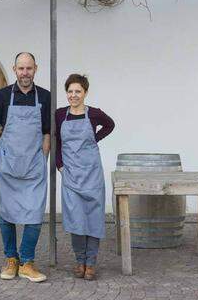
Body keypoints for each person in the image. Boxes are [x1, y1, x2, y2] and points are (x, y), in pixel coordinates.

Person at [0, 52, 51, 283]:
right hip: (8, 166)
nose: (25, 73)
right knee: (7, 214)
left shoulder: (45, 96)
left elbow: (47, 132)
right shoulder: (2, 96)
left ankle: (27, 262)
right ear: (14, 69)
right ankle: (11, 259)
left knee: (34, 215)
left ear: (36, 68)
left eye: (29, 68)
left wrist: (42, 159)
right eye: (21, 68)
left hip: (34, 167)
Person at [56, 74, 115, 281]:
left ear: (85, 93)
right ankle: (79, 260)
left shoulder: (95, 114)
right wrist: (59, 165)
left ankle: (91, 263)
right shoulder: (60, 115)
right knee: (76, 220)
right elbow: (56, 142)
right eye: (70, 91)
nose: (73, 95)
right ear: (67, 93)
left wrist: (94, 140)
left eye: (78, 91)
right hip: (71, 176)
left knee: (94, 219)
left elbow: (110, 125)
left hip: (92, 175)